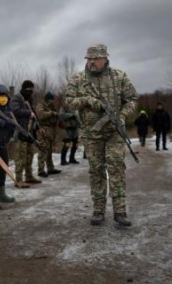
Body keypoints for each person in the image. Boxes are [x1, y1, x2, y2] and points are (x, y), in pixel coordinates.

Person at [65, 43, 137, 226]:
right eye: (88, 59)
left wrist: (122, 116)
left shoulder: (119, 76)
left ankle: (120, 211)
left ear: (104, 58)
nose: (91, 62)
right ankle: (98, 210)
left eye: (94, 59)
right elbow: (68, 102)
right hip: (91, 133)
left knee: (116, 167)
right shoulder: (79, 79)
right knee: (96, 170)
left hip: (114, 132)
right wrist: (87, 100)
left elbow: (132, 99)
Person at [10, 80, 42, 188]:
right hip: (20, 132)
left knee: (30, 155)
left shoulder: (29, 100)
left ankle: (29, 176)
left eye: (32, 90)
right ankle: (18, 180)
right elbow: (14, 111)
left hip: (30, 133)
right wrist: (29, 113)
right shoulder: (16, 98)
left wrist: (38, 127)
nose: (30, 92)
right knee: (20, 157)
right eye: (28, 90)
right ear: (23, 89)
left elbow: (34, 115)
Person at [36, 92, 62, 177]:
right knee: (43, 150)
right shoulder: (41, 105)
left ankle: (50, 168)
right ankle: (41, 170)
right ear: (48, 99)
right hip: (43, 130)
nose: (52, 101)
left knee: (50, 151)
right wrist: (51, 113)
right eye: (51, 99)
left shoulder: (50, 106)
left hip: (51, 131)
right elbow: (41, 115)